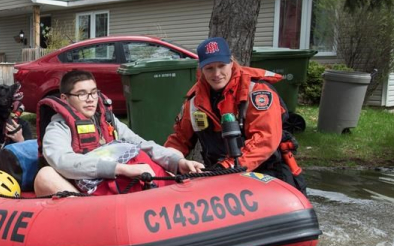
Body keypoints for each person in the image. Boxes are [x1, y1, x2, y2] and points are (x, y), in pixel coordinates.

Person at [164, 37, 307, 192]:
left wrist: (228, 166)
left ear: (231, 62)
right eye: (209, 68)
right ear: (201, 69)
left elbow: (265, 139)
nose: (217, 74)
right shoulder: (194, 102)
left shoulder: (257, 91)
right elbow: (179, 140)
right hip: (220, 175)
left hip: (266, 173)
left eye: (221, 66)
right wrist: (168, 161)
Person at [34, 70, 203, 197]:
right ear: (65, 99)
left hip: (118, 183)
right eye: (81, 94)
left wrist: (178, 162)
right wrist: (121, 169)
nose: (91, 99)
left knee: (174, 154)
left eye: (93, 92)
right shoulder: (58, 128)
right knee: (45, 175)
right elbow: (64, 161)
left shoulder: (107, 120)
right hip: (88, 191)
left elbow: (140, 143)